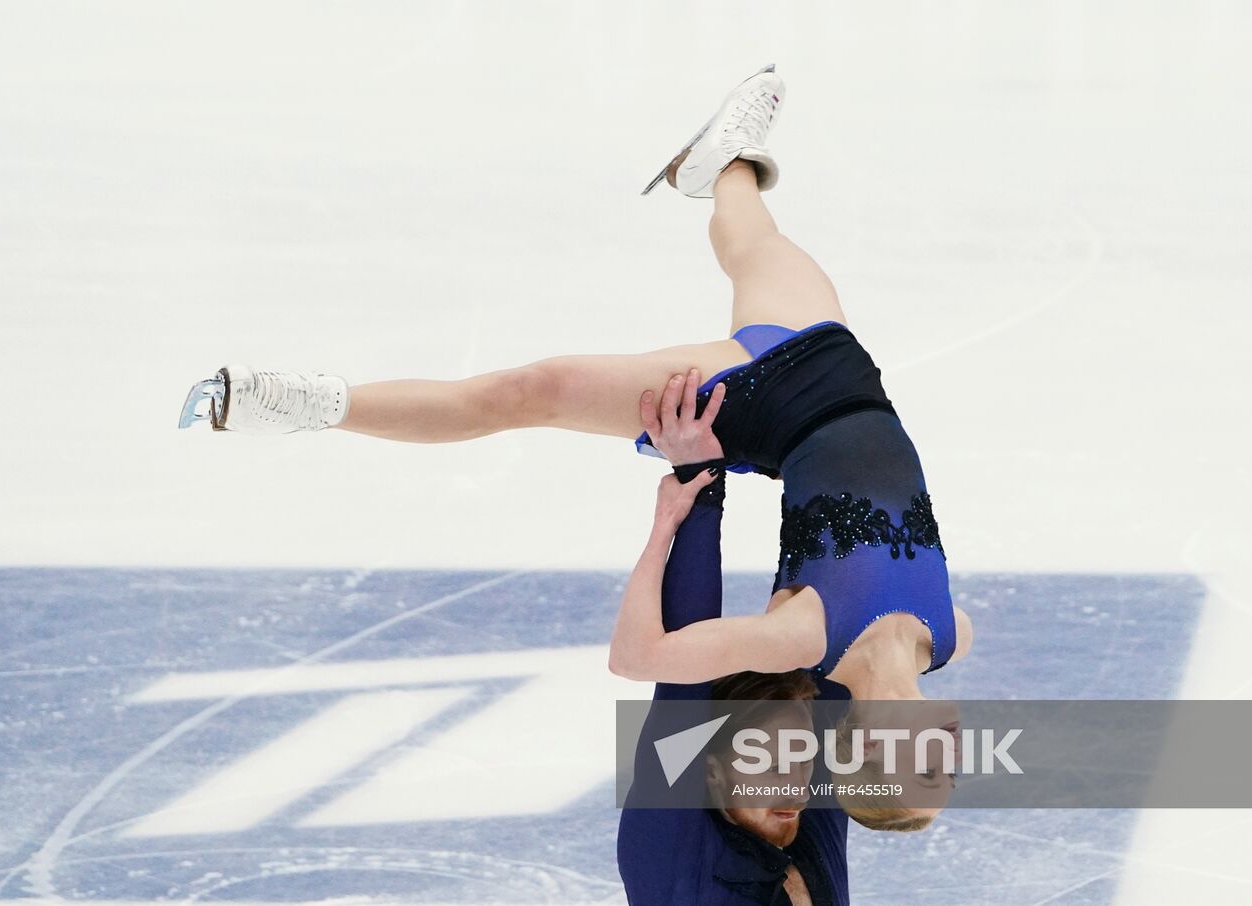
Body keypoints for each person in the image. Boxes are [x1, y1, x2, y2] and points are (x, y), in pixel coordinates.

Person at [179, 65, 974, 828]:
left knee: (529, 390)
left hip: (765, 406)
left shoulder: (801, 638)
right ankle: (723, 161)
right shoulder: (951, 634)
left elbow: (638, 657)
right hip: (841, 366)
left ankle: (304, 404)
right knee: (753, 244)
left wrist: (678, 505)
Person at [616, 455, 849, 906]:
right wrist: (702, 486)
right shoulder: (670, 864)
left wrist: (814, 463)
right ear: (712, 770)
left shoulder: (797, 828)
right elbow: (681, 687)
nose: (796, 786)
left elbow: (826, 610)